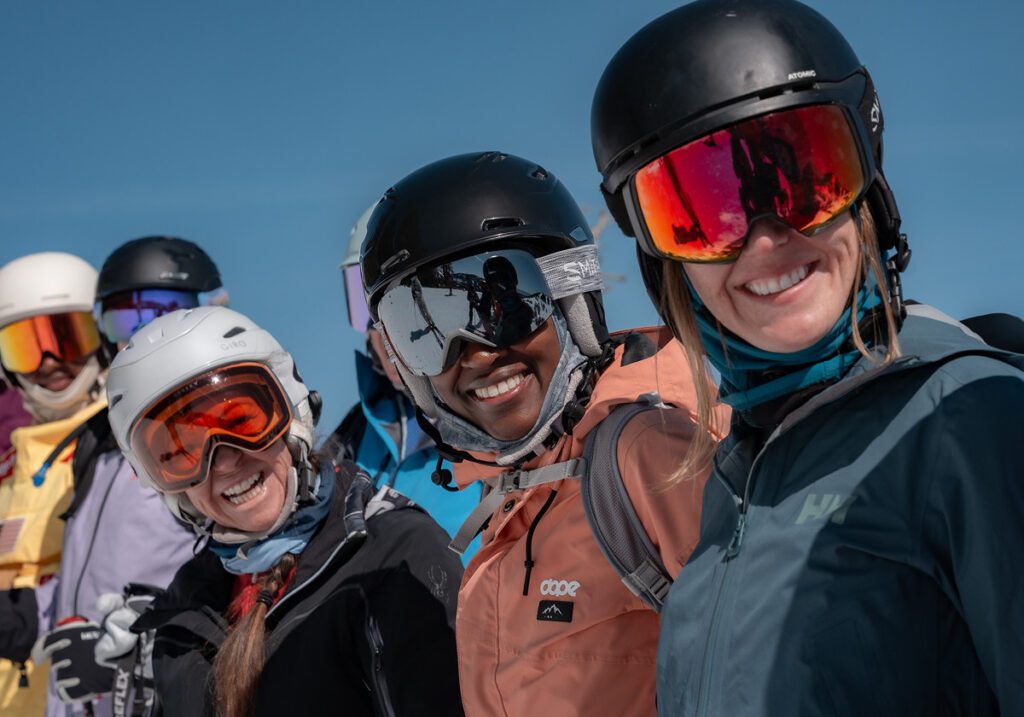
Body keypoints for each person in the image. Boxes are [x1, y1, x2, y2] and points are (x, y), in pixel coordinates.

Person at [590, 0, 1024, 713]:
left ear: (867, 195)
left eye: (805, 179)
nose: (764, 239)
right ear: (666, 264)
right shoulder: (732, 485)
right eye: (704, 209)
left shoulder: (971, 423)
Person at [362, 151, 726, 716]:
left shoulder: (651, 456)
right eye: (426, 329)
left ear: (571, 303)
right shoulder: (518, 500)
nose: (476, 353)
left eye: (506, 308)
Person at [103, 306, 463, 717]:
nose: (223, 463)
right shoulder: (183, 621)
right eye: (182, 452)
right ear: (165, 486)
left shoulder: (389, 557)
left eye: (242, 422)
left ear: (291, 414)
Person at [30, 237, 227, 717]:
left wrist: (137, 649)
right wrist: (27, 614)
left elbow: (241, 578)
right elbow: (86, 569)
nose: (144, 333)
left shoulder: (217, 433)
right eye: (124, 318)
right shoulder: (97, 445)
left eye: (165, 311)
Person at [328, 206, 483, 563]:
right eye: (367, 306)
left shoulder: (505, 424)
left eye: (411, 300)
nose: (388, 330)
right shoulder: (350, 441)